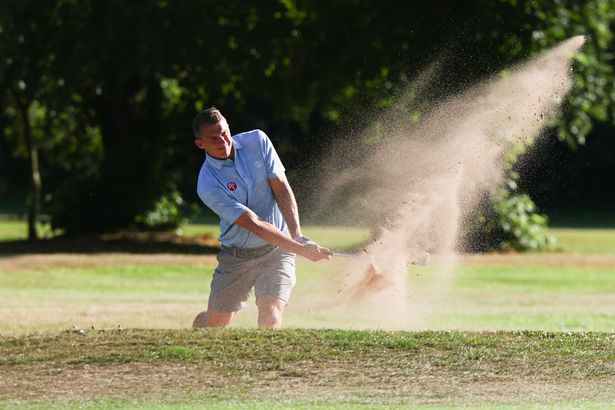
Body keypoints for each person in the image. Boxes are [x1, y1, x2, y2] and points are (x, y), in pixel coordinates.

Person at [191, 107, 331, 329]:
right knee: (215, 323)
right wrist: (299, 248)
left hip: (277, 253)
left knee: (271, 316)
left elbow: (281, 188)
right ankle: (201, 326)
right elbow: (253, 223)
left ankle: (268, 364)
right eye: (213, 138)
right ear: (201, 144)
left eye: (225, 133)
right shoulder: (208, 184)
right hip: (237, 257)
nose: (223, 141)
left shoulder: (257, 141)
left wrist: (297, 235)